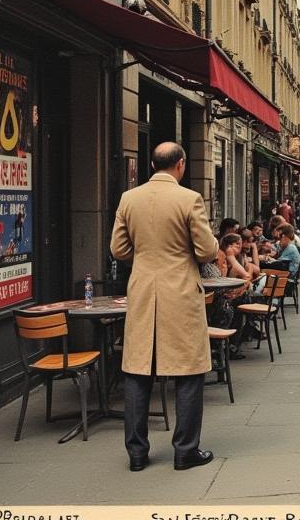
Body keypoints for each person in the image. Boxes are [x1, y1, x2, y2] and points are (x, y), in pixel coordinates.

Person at [109, 142, 218, 472]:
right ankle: (185, 450)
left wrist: (145, 258)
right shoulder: (189, 199)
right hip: (180, 291)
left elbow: (118, 248)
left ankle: (137, 453)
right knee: (188, 370)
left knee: (138, 369)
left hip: (143, 289)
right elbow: (207, 251)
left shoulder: (130, 199)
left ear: (152, 164)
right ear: (181, 164)